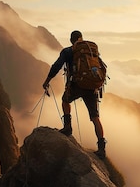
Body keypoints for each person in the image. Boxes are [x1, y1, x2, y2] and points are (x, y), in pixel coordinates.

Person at [42, 30, 107, 159]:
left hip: (77, 85)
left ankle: (68, 127)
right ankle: (101, 149)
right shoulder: (91, 50)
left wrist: (47, 81)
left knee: (65, 100)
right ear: (81, 38)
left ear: (71, 40)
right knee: (95, 117)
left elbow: (57, 66)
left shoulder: (68, 51)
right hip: (92, 87)